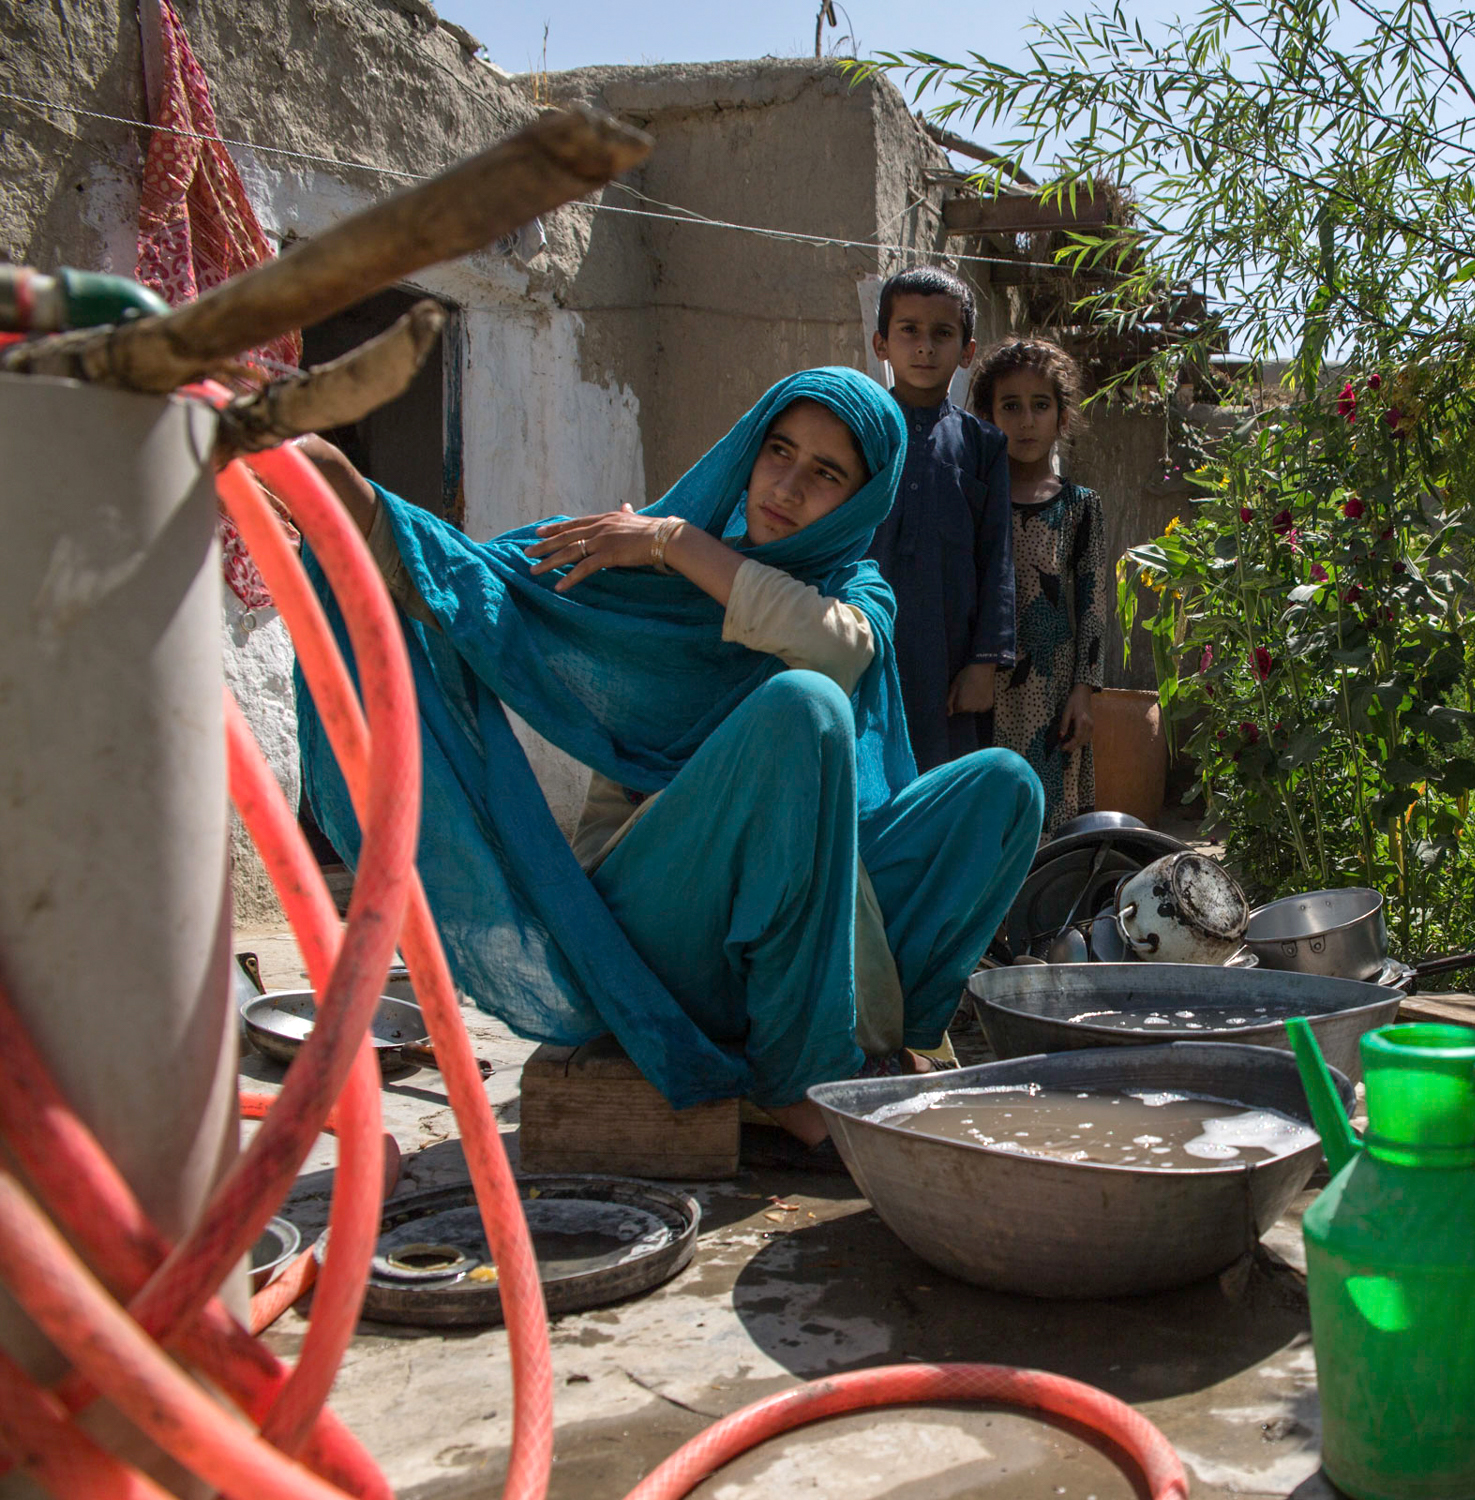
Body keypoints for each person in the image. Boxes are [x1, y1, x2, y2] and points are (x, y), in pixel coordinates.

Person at [291, 367, 1043, 1149]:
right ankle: (800, 1083)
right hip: (656, 915)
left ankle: (895, 1039)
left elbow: (832, 648)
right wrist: (354, 501)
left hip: (814, 907)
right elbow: (479, 587)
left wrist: (675, 539)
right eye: (777, 452)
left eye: (826, 474)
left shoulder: (850, 588)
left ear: (861, 498)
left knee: (1005, 786)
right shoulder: (642, 573)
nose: (786, 486)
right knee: (802, 709)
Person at [868, 265, 1016, 771]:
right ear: (881, 344)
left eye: (942, 333)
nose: (925, 347)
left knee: (942, 773)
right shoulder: (856, 430)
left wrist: (984, 662)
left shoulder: (984, 446)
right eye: (909, 330)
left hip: (948, 648)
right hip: (864, 631)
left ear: (967, 351)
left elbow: (997, 556)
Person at [970, 339, 1109, 836]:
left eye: (1040, 406)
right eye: (1011, 406)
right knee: (985, 814)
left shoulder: (1079, 506)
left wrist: (1083, 693)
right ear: (988, 415)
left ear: (1062, 418)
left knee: (1050, 818)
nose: (1026, 421)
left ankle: (1047, 913)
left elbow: (1092, 604)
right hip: (982, 686)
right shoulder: (974, 497)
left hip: (1053, 693)